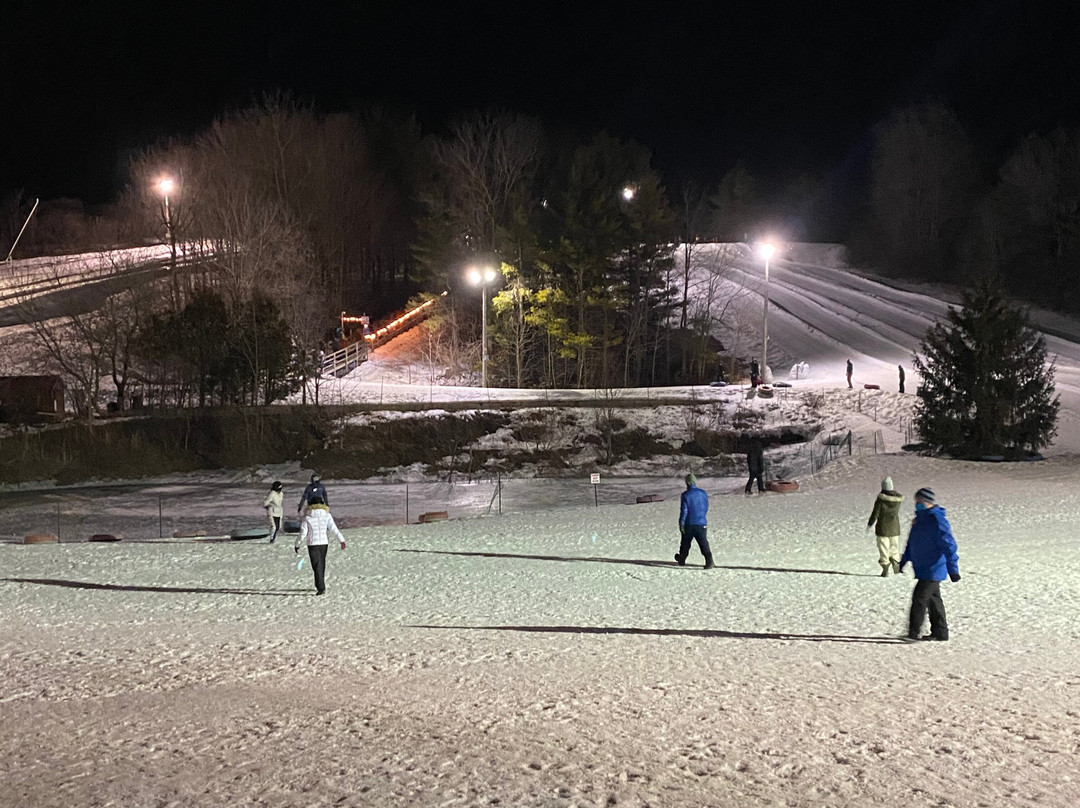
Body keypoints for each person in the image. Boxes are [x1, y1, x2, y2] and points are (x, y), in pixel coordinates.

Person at [899, 487, 960, 641]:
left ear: (928, 502)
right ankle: (940, 632)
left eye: (920, 501)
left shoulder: (936, 520)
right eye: (916, 501)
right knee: (933, 600)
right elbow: (911, 543)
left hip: (934, 568)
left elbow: (949, 545)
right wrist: (904, 561)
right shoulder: (919, 520)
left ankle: (914, 633)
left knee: (919, 599)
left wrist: (953, 569)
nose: (917, 504)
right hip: (923, 567)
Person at [295, 495, 346, 595]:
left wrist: (297, 544)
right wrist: (341, 540)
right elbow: (334, 529)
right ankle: (320, 584)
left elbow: (303, 533)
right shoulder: (327, 515)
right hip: (323, 543)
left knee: (316, 565)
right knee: (321, 563)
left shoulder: (307, 517)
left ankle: (320, 587)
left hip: (312, 543)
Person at [866, 477, 903, 576]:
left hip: (882, 527)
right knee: (894, 546)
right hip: (895, 527)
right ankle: (895, 561)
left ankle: (885, 567)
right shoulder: (897, 500)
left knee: (883, 547)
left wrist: (870, 523)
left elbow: (876, 513)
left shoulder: (881, 499)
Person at [676, 474, 714, 569]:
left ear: (687, 482)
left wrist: (681, 523)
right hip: (701, 522)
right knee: (703, 542)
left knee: (685, 542)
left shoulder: (686, 495)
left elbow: (684, 510)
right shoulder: (703, 493)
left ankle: (682, 559)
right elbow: (705, 507)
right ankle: (709, 561)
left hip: (689, 523)